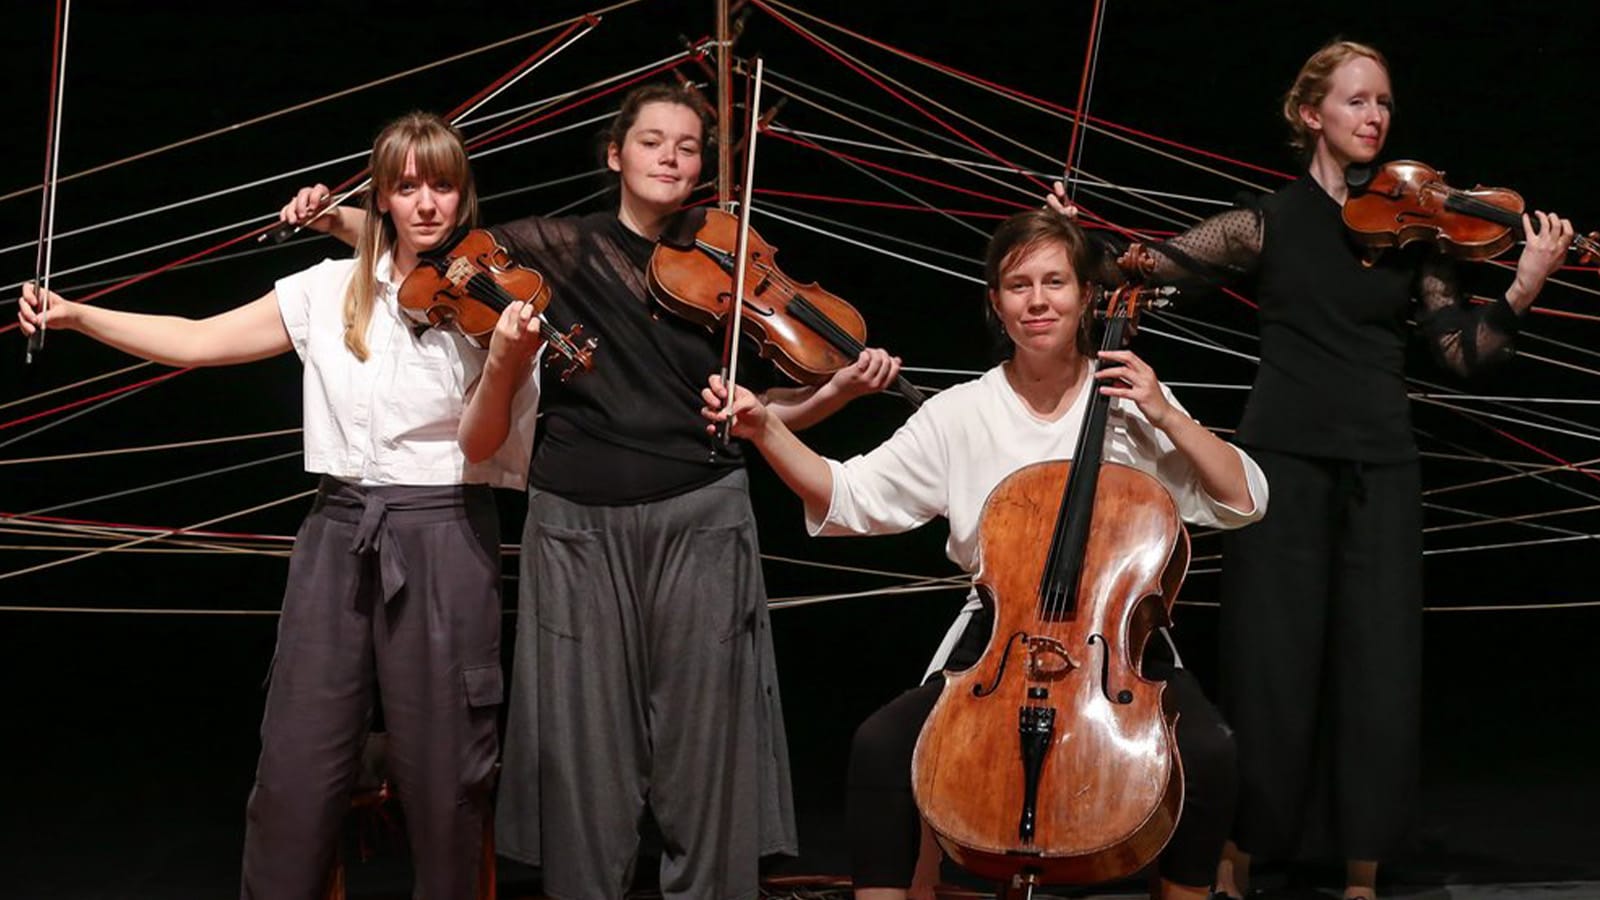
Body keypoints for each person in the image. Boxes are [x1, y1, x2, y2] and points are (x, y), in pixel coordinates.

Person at [288, 81, 903, 900]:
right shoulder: (558, 246)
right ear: (616, 154)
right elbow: (435, 250)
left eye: (687, 147)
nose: (671, 157)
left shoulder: (731, 256)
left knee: (706, 748)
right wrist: (338, 219)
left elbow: (767, 414)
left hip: (703, 517)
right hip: (575, 526)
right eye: (652, 141)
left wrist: (834, 396)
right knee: (586, 756)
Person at [1049, 40, 1574, 900]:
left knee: (1377, 667)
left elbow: (1461, 354)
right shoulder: (1268, 221)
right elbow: (1148, 266)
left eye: (1384, 104)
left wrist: (1521, 287)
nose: (1375, 118)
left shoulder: (1420, 233)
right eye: (1358, 102)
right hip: (1280, 463)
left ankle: (1363, 869)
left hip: (1382, 465)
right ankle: (1239, 853)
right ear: (1311, 115)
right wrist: (1080, 237)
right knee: (1269, 661)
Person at [18, 111, 541, 900]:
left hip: (442, 534)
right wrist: (81, 314)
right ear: (385, 196)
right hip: (337, 533)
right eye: (406, 187)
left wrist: (503, 363)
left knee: (446, 782)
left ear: (464, 196)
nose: (427, 204)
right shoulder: (327, 287)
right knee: (296, 768)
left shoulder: (494, 304)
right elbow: (199, 339)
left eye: (443, 186)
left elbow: (478, 445)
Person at [704, 208, 1270, 900]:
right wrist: (764, 430)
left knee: (1208, 754)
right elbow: (847, 495)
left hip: (1115, 641)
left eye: (1056, 282)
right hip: (996, 639)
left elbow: (1244, 499)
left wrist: (1166, 413)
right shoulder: (960, 412)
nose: (1038, 301)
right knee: (882, 746)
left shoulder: (1132, 402)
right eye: (1019, 285)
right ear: (996, 305)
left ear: (1088, 298)